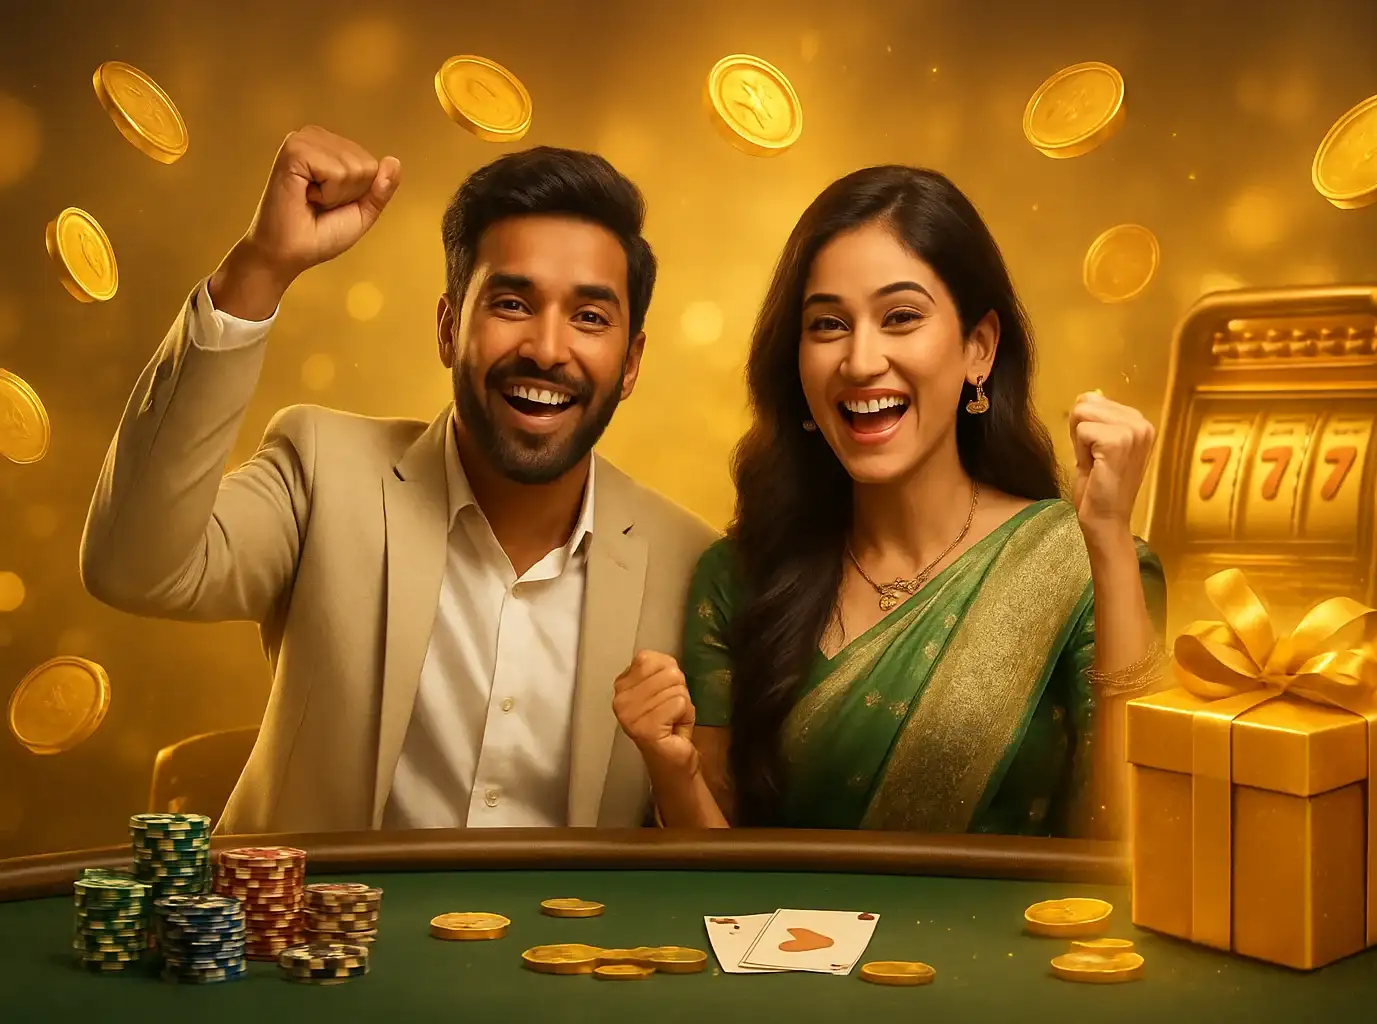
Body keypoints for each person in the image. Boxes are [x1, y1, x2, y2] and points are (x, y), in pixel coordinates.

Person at [80, 126, 716, 835]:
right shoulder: (323, 469)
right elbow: (132, 568)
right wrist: (260, 268)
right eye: (511, 304)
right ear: (448, 328)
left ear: (631, 364)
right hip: (304, 941)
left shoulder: (694, 566)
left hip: (565, 945)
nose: (546, 348)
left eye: (590, 317)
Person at [613, 166, 1166, 835]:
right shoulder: (741, 577)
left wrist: (1106, 538)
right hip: (792, 943)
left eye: (901, 317)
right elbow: (718, 879)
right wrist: (669, 765)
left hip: (1013, 942)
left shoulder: (1078, 565)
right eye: (828, 325)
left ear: (978, 349)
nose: (861, 359)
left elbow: (1141, 841)